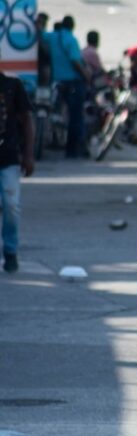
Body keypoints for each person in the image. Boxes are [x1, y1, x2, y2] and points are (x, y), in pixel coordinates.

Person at [0, 55, 36, 273]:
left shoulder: (12, 86)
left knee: (11, 204)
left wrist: (29, 154)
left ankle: (10, 251)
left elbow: (27, 120)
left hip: (9, 156)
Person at [46, 15, 90, 158]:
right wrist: (87, 76)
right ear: (72, 26)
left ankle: (54, 140)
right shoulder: (71, 39)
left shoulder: (53, 37)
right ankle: (72, 150)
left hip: (57, 82)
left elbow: (39, 36)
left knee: (56, 113)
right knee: (76, 118)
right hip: (73, 83)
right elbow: (75, 61)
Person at [35, 13, 52, 88]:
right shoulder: (40, 33)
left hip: (42, 61)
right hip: (42, 62)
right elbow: (45, 49)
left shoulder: (43, 33)